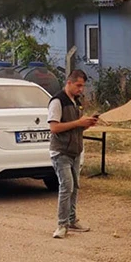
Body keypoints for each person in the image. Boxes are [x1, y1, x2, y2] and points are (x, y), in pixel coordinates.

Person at [49, 69, 97, 239]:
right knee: (66, 187)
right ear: (68, 83)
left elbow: (75, 126)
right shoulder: (57, 101)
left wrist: (87, 124)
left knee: (75, 187)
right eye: (78, 85)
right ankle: (61, 225)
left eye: (83, 86)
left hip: (76, 150)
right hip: (61, 152)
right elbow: (54, 128)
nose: (81, 89)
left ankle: (72, 220)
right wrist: (78, 122)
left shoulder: (76, 101)